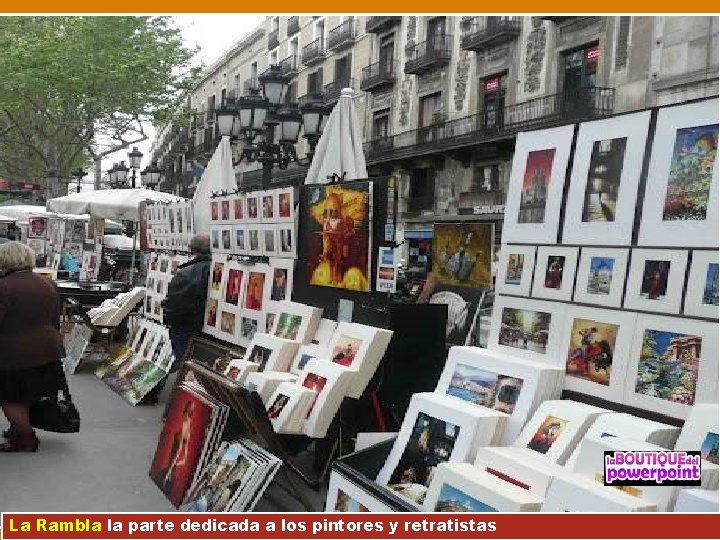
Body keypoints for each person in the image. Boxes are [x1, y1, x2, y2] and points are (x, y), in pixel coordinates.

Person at [0, 242, 66, 452]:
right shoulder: (46, 283)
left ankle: (26, 437)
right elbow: (55, 318)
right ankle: (18, 429)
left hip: (14, 354)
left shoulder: (4, 286)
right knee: (27, 394)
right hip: (47, 349)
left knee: (9, 397)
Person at [145, 235, 210, 404]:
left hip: (185, 325)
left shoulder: (187, 272)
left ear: (192, 250)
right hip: (204, 326)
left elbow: (176, 303)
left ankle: (186, 403)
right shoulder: (216, 269)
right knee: (199, 364)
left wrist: (168, 317)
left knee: (185, 362)